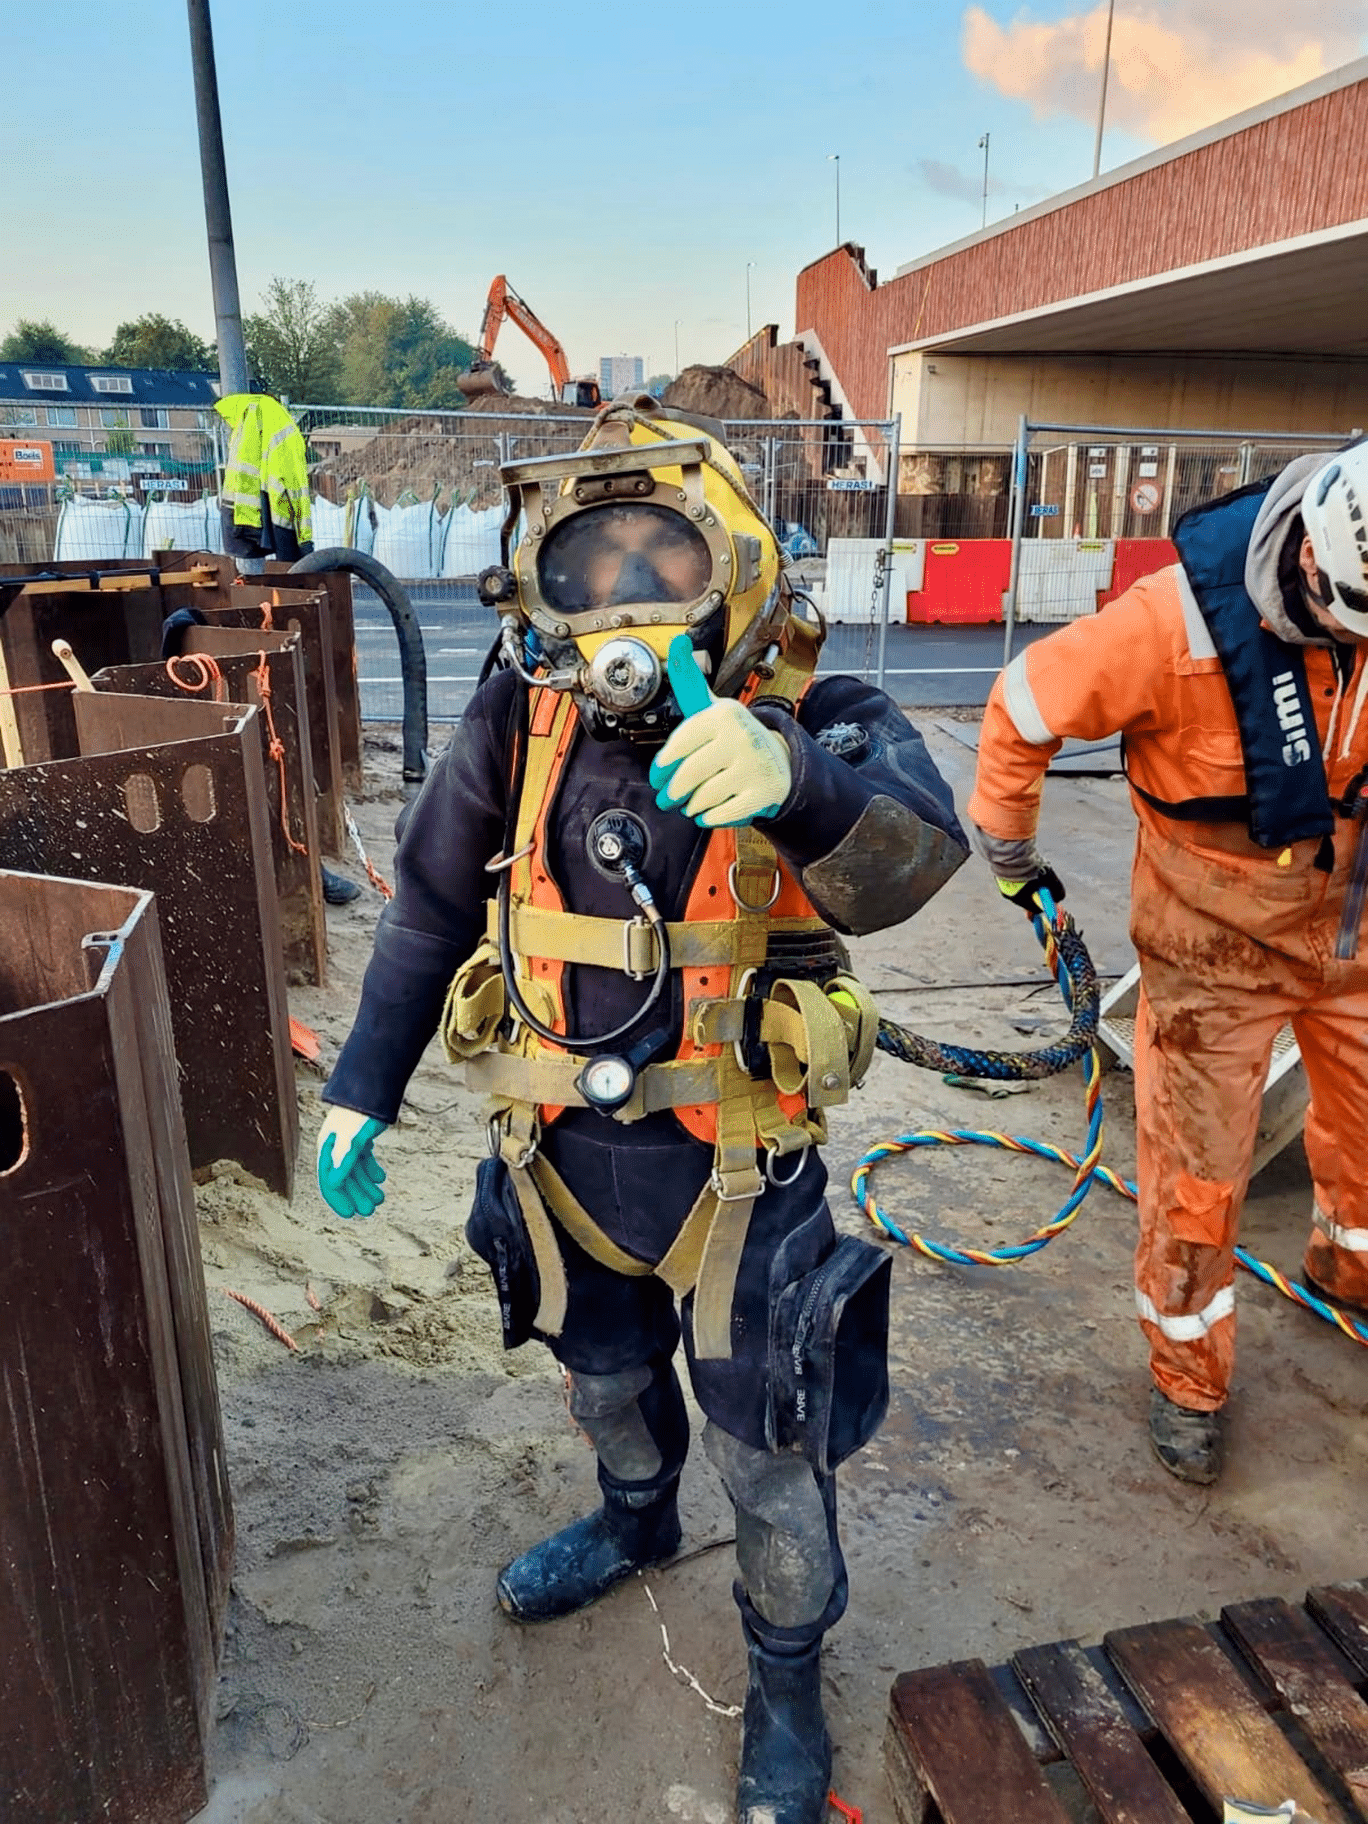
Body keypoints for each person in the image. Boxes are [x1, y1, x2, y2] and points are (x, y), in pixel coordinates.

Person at [315, 398, 968, 1824]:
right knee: (602, 1377)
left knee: (769, 1447)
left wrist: (796, 780)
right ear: (537, 583)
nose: (619, 606)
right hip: (559, 1159)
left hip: (739, 1179)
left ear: (729, 561)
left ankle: (785, 1679)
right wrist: (362, 1090)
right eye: (585, 570)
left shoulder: (816, 709)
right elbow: (430, 905)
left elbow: (913, 866)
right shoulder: (520, 713)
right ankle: (633, 1519)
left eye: (656, 564)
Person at [969, 444, 1368, 1486]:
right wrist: (1011, 853)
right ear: (1314, 565)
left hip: (1359, 937)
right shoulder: (1168, 624)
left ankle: (1351, 1263)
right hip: (1211, 955)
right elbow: (1022, 708)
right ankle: (1189, 1378)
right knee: (1198, 1185)